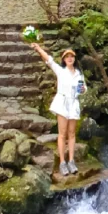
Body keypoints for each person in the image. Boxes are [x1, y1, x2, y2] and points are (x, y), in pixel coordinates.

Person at [28, 39, 85, 175]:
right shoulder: (60, 71)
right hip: (62, 103)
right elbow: (49, 60)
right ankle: (62, 163)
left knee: (72, 134)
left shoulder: (79, 74)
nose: (69, 58)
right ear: (64, 60)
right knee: (62, 133)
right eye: (67, 57)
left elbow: (82, 89)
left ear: (74, 59)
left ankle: (71, 161)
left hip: (73, 103)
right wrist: (38, 48)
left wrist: (82, 89)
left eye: (71, 56)